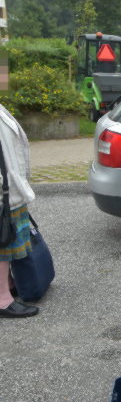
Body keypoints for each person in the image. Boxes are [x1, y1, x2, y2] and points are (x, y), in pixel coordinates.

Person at [0, 104, 38, 318]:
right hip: (3, 192)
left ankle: (8, 285)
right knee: (2, 245)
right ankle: (3, 300)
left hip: (10, 190)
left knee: (10, 241)